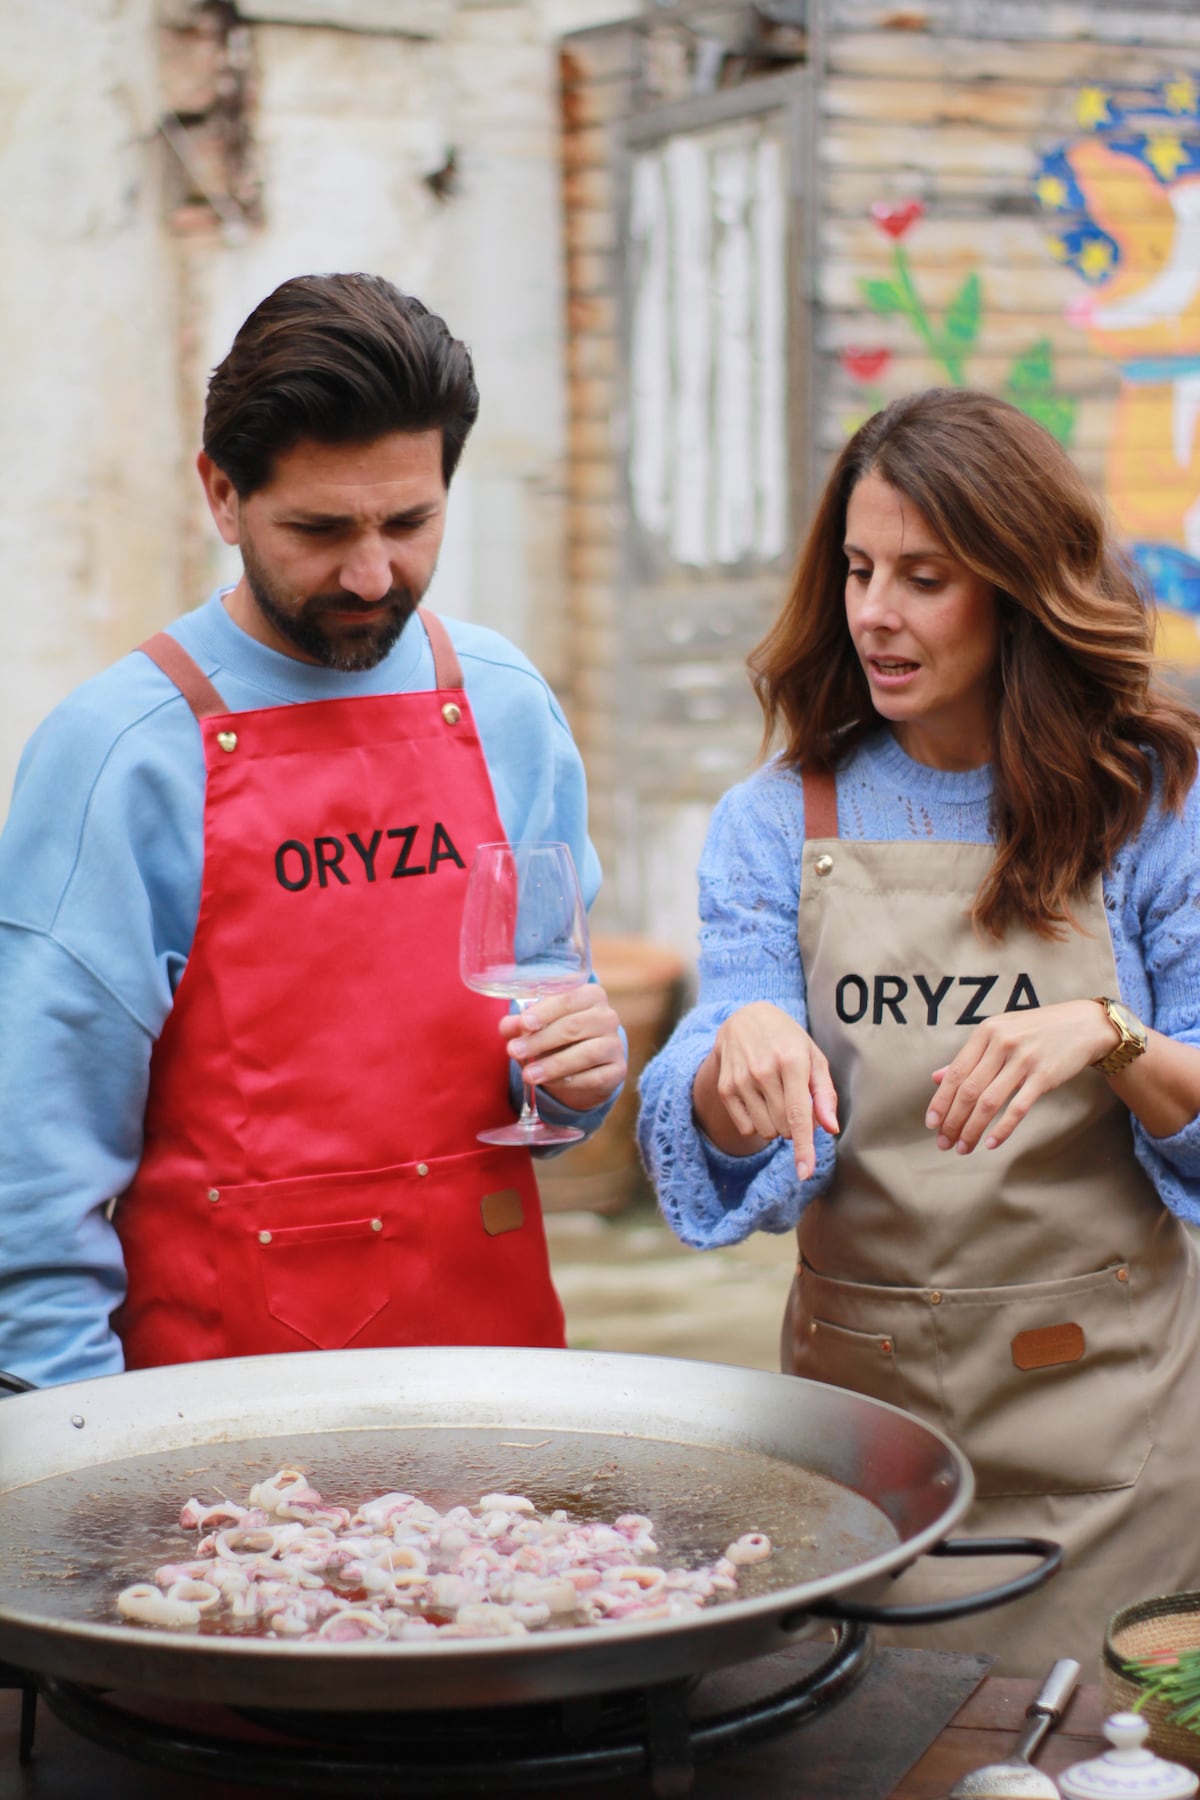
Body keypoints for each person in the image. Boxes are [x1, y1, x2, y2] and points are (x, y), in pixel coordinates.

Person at [637, 386, 1200, 1675]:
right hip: (861, 1441)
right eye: (856, 568)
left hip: (1114, 1441)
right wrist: (733, 1073)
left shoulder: (1156, 804)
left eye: (925, 577)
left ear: (1014, 588)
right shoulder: (779, 817)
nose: (875, 613)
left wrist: (1113, 1038)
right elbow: (718, 1059)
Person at [0, 272, 625, 1387]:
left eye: (410, 522)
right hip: (216, 1419)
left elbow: (539, 1051)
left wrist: (579, 1083)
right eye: (320, 528)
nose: (373, 573)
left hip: (497, 1384)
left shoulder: (505, 706)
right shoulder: (122, 753)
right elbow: (33, 1187)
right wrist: (75, 1471)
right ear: (223, 496)